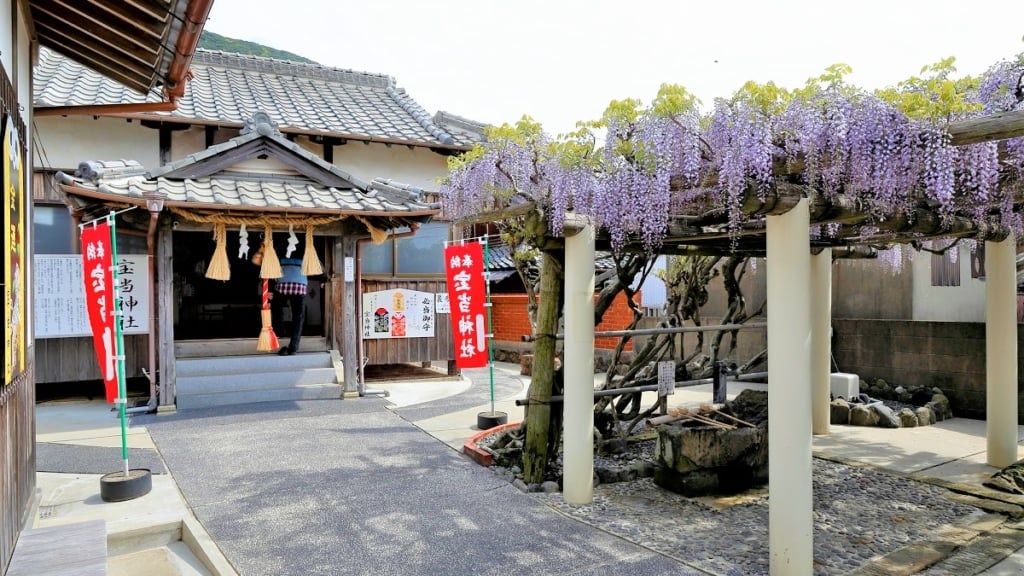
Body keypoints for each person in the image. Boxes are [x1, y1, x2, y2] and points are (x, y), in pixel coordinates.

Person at [272, 257, 308, 356]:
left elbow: (272, 266)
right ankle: (293, 347)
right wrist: (323, 278)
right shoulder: (306, 248)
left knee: (276, 308)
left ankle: (280, 332)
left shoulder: (279, 247)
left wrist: (271, 288)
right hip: (299, 284)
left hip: (282, 282)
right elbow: (315, 264)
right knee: (298, 316)